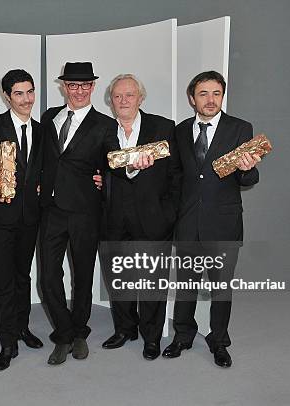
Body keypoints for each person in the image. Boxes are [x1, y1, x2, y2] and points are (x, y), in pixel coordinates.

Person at [162, 71, 261, 368]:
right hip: (188, 222)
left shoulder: (241, 128)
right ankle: (182, 336)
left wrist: (247, 168)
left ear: (222, 95)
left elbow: (249, 178)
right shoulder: (179, 131)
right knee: (186, 285)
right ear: (192, 98)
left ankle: (219, 340)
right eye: (203, 94)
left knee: (221, 287)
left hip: (224, 223)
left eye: (216, 93)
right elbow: (176, 177)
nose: (210, 99)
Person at [39, 62, 119, 365]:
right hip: (51, 210)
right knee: (48, 277)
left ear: (93, 87)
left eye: (85, 85)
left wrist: (104, 180)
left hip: (86, 211)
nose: (79, 90)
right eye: (73, 85)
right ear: (64, 87)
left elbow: (113, 163)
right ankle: (64, 331)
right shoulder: (49, 118)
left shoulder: (105, 124)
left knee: (83, 276)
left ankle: (79, 332)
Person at [101, 74, 181, 360]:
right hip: (113, 219)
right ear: (111, 101)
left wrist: (168, 213)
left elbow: (176, 177)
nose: (123, 101)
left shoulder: (163, 128)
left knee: (152, 282)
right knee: (119, 278)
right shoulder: (103, 130)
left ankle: (151, 337)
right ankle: (125, 329)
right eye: (118, 96)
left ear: (140, 97)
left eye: (129, 95)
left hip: (153, 219)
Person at [0, 69, 44, 371]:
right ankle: (7, 342)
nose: (26, 98)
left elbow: (45, 170)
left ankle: (22, 327)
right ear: (7, 96)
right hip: (0, 216)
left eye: (30, 91)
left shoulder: (42, 130)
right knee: (4, 280)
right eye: (19, 93)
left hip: (30, 217)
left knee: (23, 276)